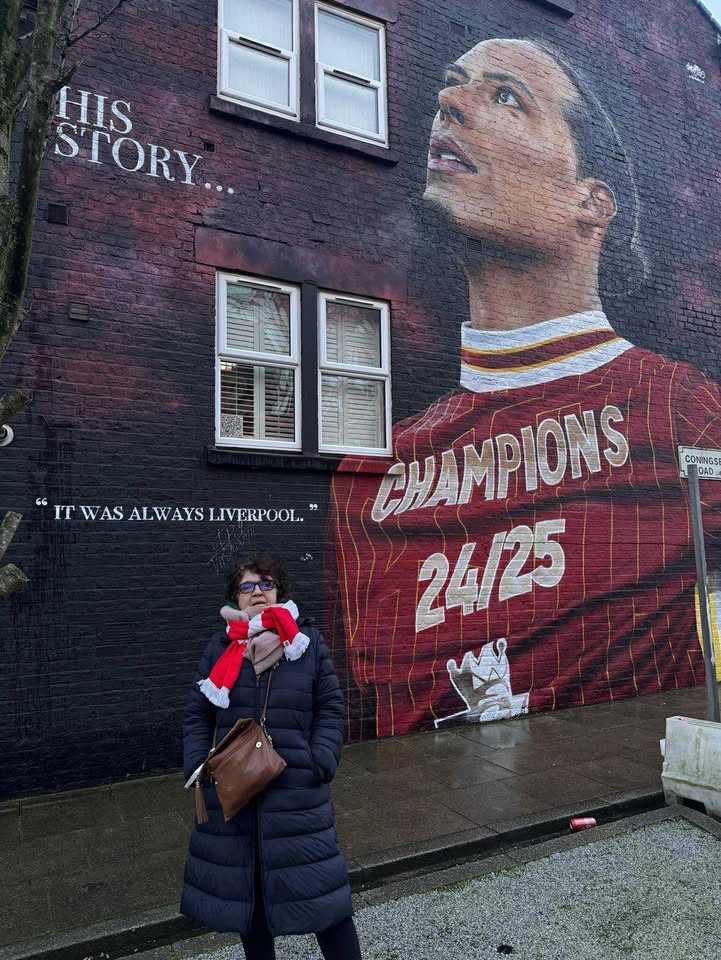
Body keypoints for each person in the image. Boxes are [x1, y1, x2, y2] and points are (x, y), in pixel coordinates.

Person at [329, 38, 721, 737]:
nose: (448, 102)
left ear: (590, 201)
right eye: (452, 83)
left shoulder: (682, 412)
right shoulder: (370, 473)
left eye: (505, 96)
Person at [181, 553, 362, 960]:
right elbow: (197, 713)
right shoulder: (220, 647)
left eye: (266, 584)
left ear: (280, 591)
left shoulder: (306, 644)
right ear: (236, 596)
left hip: (297, 792)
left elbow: (331, 706)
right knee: (251, 905)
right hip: (234, 796)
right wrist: (197, 765)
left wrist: (321, 759)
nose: (257, 593)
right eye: (247, 586)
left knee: (325, 901)